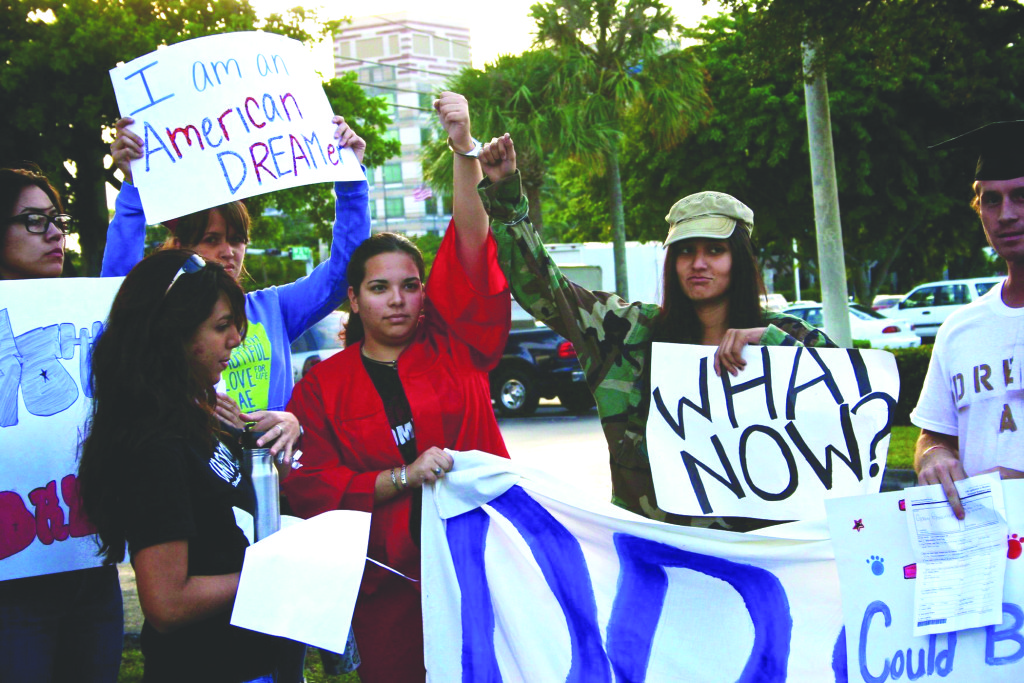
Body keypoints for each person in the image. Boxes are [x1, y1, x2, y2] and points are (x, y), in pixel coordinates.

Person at [475, 135, 836, 531]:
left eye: (715, 250)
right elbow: (547, 289)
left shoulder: (788, 338)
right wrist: (506, 197)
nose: (698, 263)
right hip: (656, 564)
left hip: (765, 564)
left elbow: (855, 404)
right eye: (685, 250)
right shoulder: (628, 332)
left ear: (740, 259)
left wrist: (769, 347)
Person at [281, 92, 511, 682]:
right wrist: (398, 479)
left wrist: (464, 150)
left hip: (478, 571)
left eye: (410, 285)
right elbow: (307, 487)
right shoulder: (322, 386)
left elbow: (469, 246)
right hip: (388, 587)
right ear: (353, 300)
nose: (399, 299)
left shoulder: (455, 350)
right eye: (380, 289)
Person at [102, 115, 370, 460]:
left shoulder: (273, 307)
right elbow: (116, 290)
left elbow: (343, 270)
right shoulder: (161, 313)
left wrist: (350, 178)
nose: (228, 251)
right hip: (191, 470)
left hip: (273, 477)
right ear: (181, 244)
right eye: (211, 239)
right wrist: (133, 187)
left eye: (237, 240)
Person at [78, 249, 289, 682]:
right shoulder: (155, 445)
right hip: (205, 665)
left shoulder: (194, 415)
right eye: (221, 327)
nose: (236, 340)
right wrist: (273, 570)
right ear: (171, 334)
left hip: (244, 658)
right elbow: (167, 603)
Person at [0, 166, 124, 682]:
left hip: (89, 571)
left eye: (57, 219)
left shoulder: (89, 314)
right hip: (11, 588)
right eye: (34, 221)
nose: (56, 234)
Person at [912, 120, 1024, 519]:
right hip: (985, 560)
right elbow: (934, 436)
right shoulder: (961, 329)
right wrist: (934, 457)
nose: (1006, 214)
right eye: (991, 200)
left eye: (1021, 196)